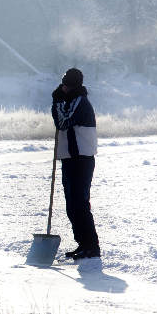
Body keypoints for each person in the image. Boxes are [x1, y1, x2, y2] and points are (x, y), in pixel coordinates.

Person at [51, 68, 100, 260]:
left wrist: (56, 101)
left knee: (80, 204)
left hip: (82, 158)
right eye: (63, 83)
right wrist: (58, 101)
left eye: (66, 84)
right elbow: (60, 120)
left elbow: (63, 121)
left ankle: (92, 246)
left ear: (73, 86)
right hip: (69, 157)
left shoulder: (80, 101)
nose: (63, 86)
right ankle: (82, 244)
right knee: (71, 205)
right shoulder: (68, 101)